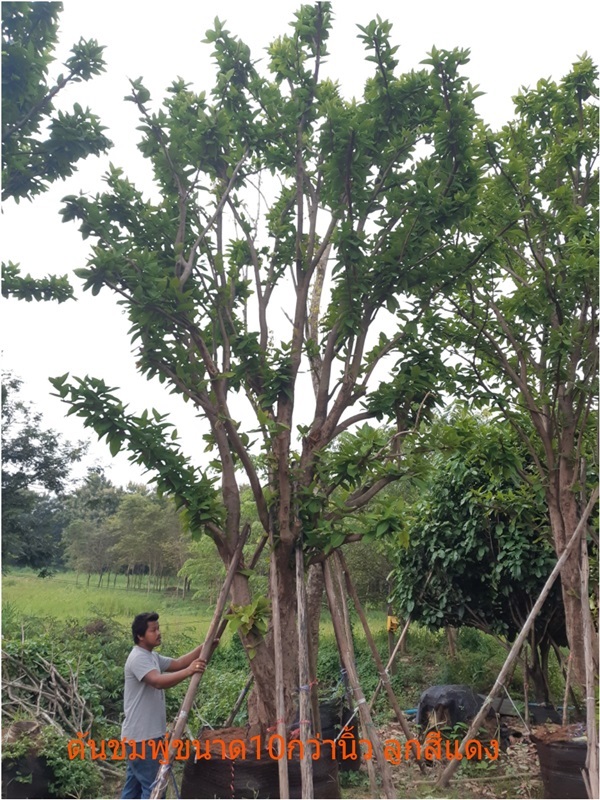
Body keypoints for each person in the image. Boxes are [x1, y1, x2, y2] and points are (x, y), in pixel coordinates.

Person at [121, 611, 208, 799]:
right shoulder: (138, 658)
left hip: (142, 736)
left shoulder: (151, 656)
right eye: (153, 630)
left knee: (133, 789)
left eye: (158, 628)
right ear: (140, 636)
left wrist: (205, 646)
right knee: (153, 789)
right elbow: (158, 681)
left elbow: (177, 663)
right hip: (142, 738)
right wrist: (189, 671)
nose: (159, 633)